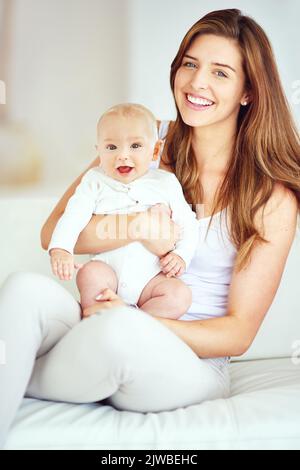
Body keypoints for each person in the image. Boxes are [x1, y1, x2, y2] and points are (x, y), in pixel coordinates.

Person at [0, 8, 299, 449]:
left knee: (119, 333)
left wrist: (132, 319)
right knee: (24, 288)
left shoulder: (269, 196)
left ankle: (26, 373)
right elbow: (54, 234)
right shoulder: (142, 139)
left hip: (188, 360)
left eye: (220, 72)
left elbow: (238, 332)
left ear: (248, 91)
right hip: (100, 322)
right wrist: (136, 226)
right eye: (190, 64)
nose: (197, 83)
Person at [48, 103, 199, 319]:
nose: (123, 156)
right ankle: (95, 318)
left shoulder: (165, 182)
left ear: (155, 150)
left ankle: (137, 323)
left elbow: (187, 222)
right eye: (111, 148)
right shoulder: (94, 181)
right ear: (99, 151)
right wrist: (61, 249)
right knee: (90, 274)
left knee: (179, 295)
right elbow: (73, 216)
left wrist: (181, 255)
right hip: (108, 273)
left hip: (151, 277)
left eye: (135, 146)